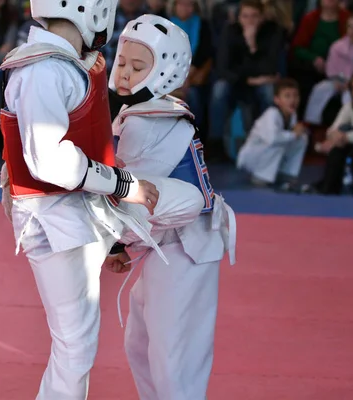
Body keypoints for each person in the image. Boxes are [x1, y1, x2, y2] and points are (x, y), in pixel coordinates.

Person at [0, 1, 204, 398]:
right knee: (75, 346)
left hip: (77, 212)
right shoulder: (46, 69)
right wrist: (127, 186)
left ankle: (123, 240)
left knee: (78, 343)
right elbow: (51, 162)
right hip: (58, 217)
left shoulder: (65, 62)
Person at [105, 15, 236, 400]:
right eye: (123, 63)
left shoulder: (157, 120)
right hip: (163, 243)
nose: (126, 73)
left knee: (173, 357)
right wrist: (118, 243)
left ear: (166, 71)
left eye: (138, 66)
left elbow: (132, 195)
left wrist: (113, 241)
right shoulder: (139, 113)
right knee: (140, 344)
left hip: (187, 246)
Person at [237, 78, 309, 190]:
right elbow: (272, 139)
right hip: (252, 158)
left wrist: (298, 133)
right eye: (287, 96)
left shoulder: (292, 115)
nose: (292, 100)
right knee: (282, 141)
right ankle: (260, 176)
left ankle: (287, 174)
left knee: (302, 139)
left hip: (268, 155)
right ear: (277, 100)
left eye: (295, 96)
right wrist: (294, 134)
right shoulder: (272, 114)